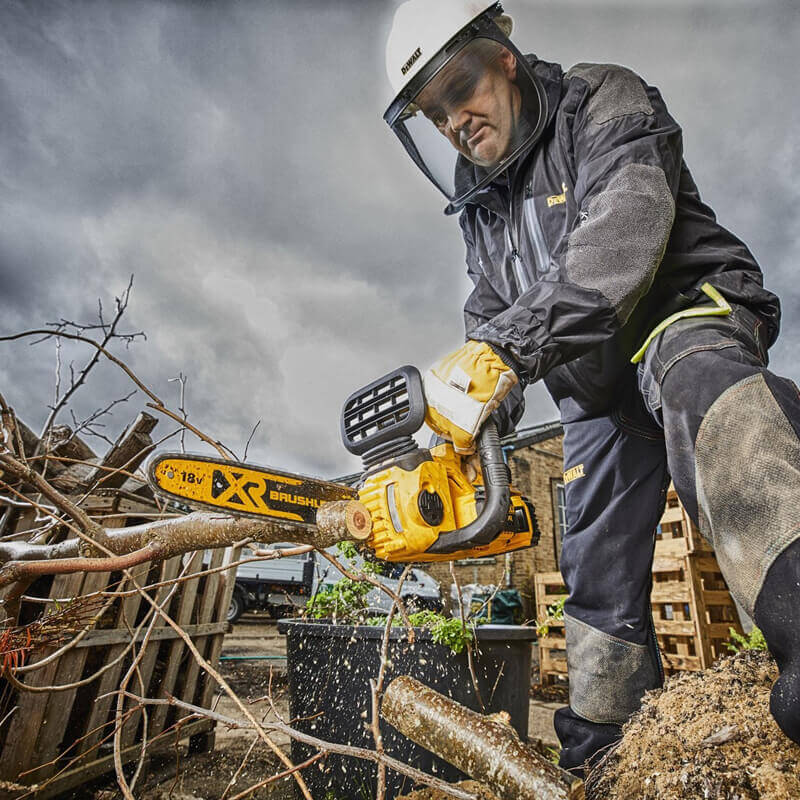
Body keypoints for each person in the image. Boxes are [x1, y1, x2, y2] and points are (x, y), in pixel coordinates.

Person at [383, 0, 800, 775]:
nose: (453, 121)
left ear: (502, 55)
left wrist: (508, 346)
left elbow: (626, 225)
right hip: (597, 388)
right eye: (433, 112)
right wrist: (471, 416)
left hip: (680, 311)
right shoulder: (480, 202)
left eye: (459, 88)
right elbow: (489, 314)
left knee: (705, 390)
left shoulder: (601, 98)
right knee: (593, 562)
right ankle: (602, 756)